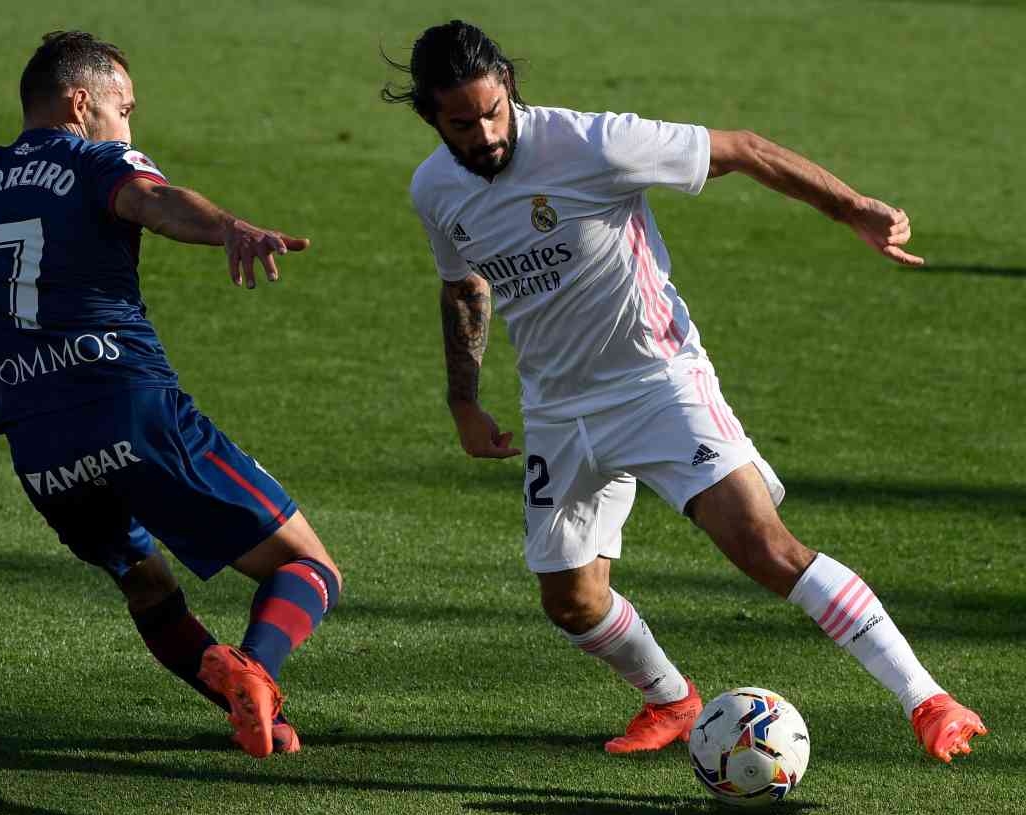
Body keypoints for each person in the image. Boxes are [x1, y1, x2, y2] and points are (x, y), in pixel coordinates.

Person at [385, 20, 985, 762]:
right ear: (429, 117)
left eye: (492, 111)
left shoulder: (593, 143)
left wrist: (850, 206)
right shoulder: (434, 190)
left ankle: (927, 698)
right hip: (557, 409)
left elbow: (745, 149)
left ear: (508, 86)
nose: (484, 134)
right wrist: (464, 400)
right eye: (461, 123)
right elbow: (463, 284)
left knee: (763, 544)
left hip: (656, 381)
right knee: (570, 599)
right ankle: (671, 699)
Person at [0, 30, 342, 759]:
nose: (130, 125)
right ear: (82, 101)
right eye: (125, 107)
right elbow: (155, 202)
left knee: (148, 587)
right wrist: (231, 227)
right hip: (127, 405)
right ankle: (254, 668)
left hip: (36, 441)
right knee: (307, 568)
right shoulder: (96, 160)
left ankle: (246, 707)